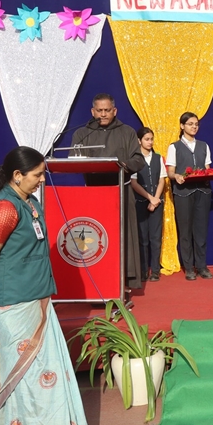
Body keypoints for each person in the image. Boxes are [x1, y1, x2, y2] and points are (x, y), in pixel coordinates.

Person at [0, 146, 90, 425]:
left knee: (36, 374)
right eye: (37, 174)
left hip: (34, 296)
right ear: (17, 175)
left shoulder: (29, 202)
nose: (42, 179)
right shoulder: (4, 209)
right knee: (30, 376)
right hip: (12, 302)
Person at [71, 93, 145, 289]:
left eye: (107, 110)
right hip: (93, 194)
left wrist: (121, 165)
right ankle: (95, 280)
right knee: (95, 237)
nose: (103, 114)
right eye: (99, 110)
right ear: (92, 111)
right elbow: (74, 159)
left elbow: (138, 160)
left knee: (122, 236)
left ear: (114, 111)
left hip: (121, 191)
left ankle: (124, 281)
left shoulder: (127, 132)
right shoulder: (81, 134)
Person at [166, 112, 213, 281]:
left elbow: (207, 169)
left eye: (196, 124)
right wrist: (176, 176)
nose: (194, 127)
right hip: (183, 192)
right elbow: (170, 172)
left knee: (201, 230)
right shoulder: (174, 147)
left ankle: (201, 266)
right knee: (185, 230)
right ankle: (188, 268)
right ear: (182, 126)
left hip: (203, 191)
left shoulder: (204, 146)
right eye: (190, 124)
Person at [130, 127, 167, 282]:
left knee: (155, 238)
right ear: (139, 141)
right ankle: (144, 270)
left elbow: (161, 180)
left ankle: (155, 270)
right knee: (142, 238)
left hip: (156, 203)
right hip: (140, 203)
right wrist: (149, 198)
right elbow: (134, 183)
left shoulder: (158, 158)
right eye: (147, 139)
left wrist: (156, 199)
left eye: (151, 139)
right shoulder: (135, 159)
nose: (150, 142)